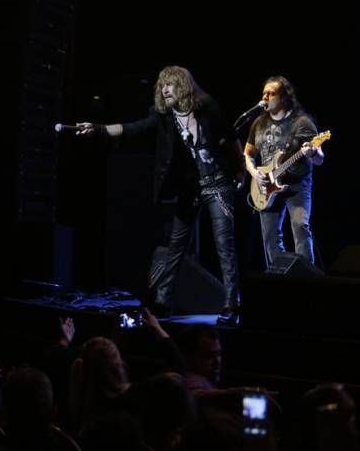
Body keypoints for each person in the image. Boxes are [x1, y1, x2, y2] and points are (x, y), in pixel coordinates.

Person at [77, 65, 244, 323]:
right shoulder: (163, 117)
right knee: (175, 246)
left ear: (182, 85)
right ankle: (163, 302)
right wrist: (98, 129)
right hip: (192, 188)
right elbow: (134, 128)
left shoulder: (207, 108)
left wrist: (240, 171)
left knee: (224, 245)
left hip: (218, 183)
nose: (164, 89)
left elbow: (232, 139)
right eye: (161, 85)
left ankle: (232, 303)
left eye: (170, 84)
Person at [244, 76, 324, 268]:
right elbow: (247, 153)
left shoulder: (302, 122)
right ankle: (277, 277)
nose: (265, 97)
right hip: (267, 185)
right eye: (264, 93)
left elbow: (320, 158)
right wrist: (254, 173)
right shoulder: (258, 123)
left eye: (271, 93)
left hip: (297, 185)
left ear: (284, 97)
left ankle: (306, 277)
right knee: (270, 236)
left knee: (300, 228)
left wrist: (312, 152)